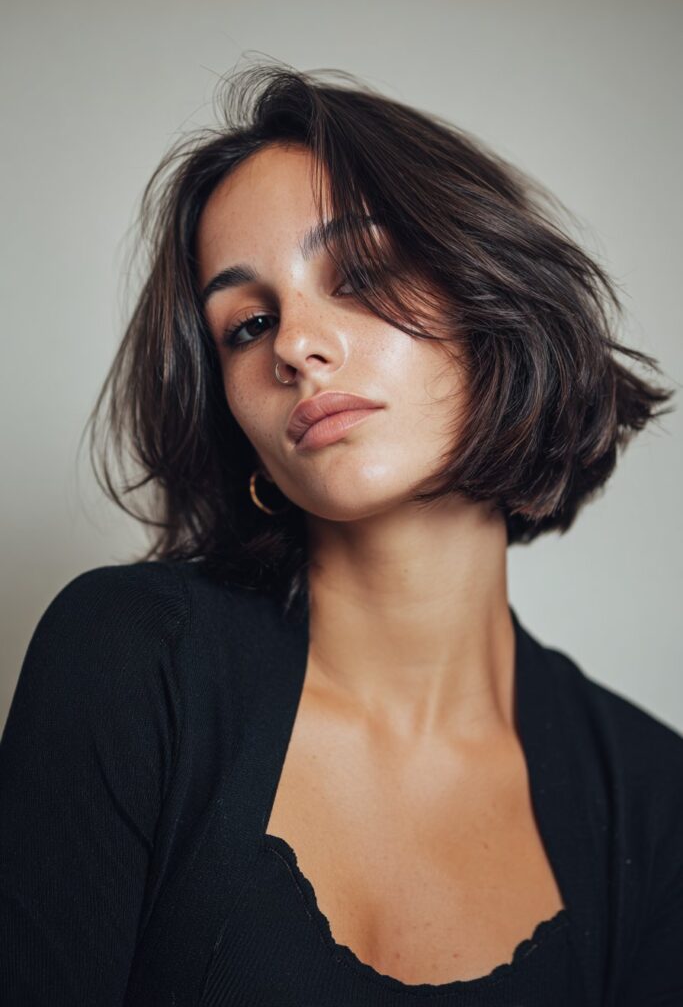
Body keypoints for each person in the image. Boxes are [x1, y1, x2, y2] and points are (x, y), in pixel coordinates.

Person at [1, 62, 681, 1007]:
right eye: (245, 324)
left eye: (359, 274)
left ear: (493, 301)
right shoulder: (130, 661)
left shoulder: (653, 796)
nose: (292, 344)